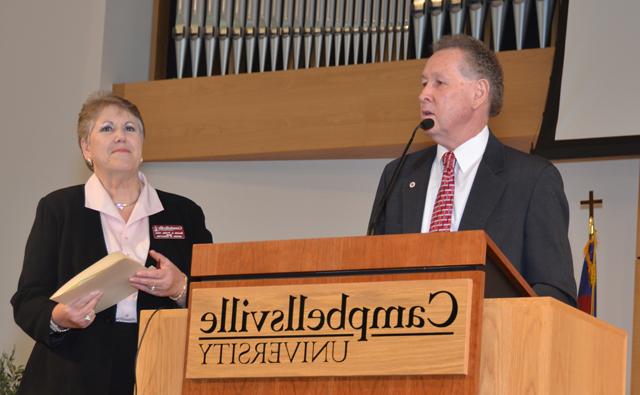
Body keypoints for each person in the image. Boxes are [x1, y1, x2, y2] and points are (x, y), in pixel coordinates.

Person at [11, 92, 213, 394]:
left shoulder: (184, 213)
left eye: (130, 128)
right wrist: (60, 317)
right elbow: (28, 299)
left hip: (160, 367)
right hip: (71, 372)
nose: (121, 136)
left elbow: (216, 296)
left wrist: (181, 288)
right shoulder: (58, 209)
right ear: (86, 148)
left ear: (142, 147)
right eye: (107, 128)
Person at [369, 35, 577, 306]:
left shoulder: (532, 180)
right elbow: (370, 273)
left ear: (479, 93)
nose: (423, 94)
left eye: (439, 83)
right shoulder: (398, 176)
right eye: (423, 83)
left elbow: (554, 293)